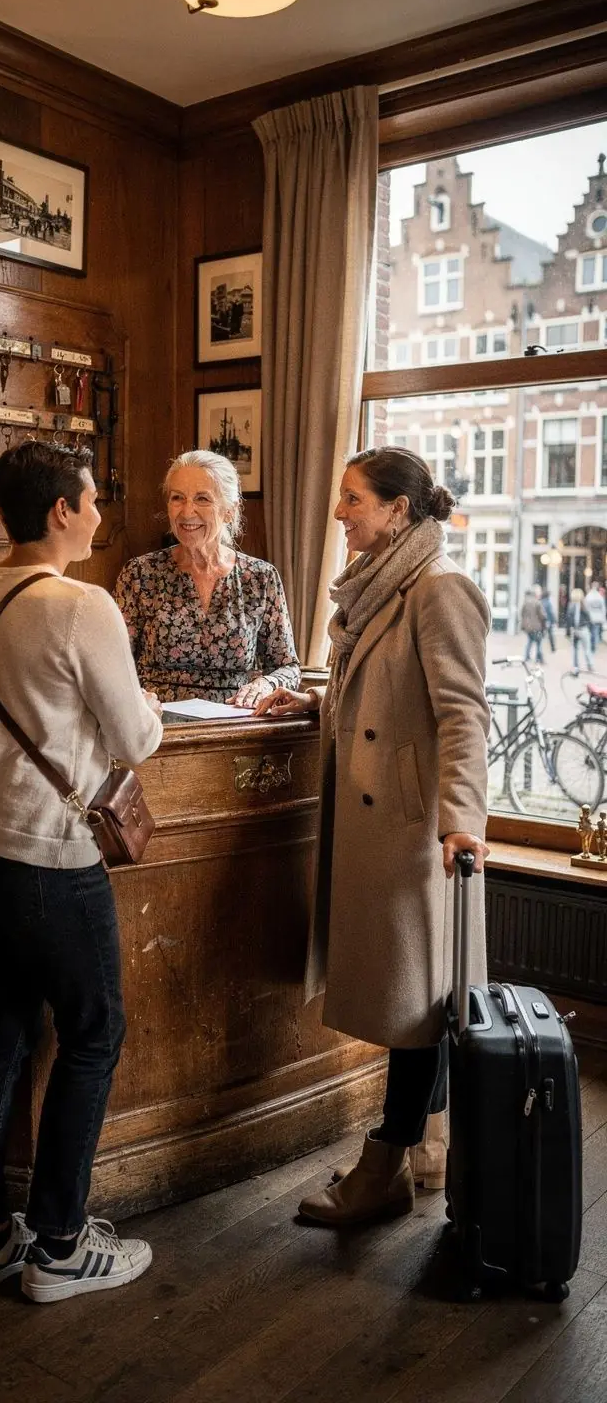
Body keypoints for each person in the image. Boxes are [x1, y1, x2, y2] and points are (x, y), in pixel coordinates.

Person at [0, 441, 163, 1303]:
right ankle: (61, 1244)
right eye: (93, 500)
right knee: (94, 1033)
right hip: (47, 851)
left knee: (1, 1028)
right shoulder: (81, 605)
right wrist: (143, 707)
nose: (100, 513)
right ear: (61, 510)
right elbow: (137, 738)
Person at [255, 446, 490, 1225]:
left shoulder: (439, 588)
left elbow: (463, 714)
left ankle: (384, 1166)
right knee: (415, 1000)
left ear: (397, 510)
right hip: (379, 823)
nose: (339, 513)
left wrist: (462, 820)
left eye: (353, 499)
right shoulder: (376, 585)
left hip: (416, 835)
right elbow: (377, 691)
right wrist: (312, 704)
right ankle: (424, 1151)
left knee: (413, 1005)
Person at [113, 450, 300, 706]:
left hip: (234, 718)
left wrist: (266, 683)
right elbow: (112, 663)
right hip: (157, 719)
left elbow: (288, 667)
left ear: (229, 511)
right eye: (177, 498)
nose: (187, 511)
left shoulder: (261, 578)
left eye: (202, 499)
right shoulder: (140, 574)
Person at [565, 588, 594, 675]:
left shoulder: (571, 605)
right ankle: (590, 665)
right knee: (587, 649)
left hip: (575, 630)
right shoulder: (584, 604)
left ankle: (576, 666)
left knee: (575, 649)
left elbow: (568, 619)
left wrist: (568, 632)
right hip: (583, 629)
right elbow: (589, 618)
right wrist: (590, 628)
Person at [520, 588, 546, 664]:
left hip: (528, 627)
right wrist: (544, 623)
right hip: (536, 626)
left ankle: (527, 657)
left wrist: (524, 625)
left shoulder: (526, 602)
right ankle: (538, 658)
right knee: (539, 643)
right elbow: (542, 615)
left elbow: (522, 614)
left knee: (530, 641)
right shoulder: (537, 602)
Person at [585, 582, 605, 652]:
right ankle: (593, 646)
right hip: (598, 618)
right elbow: (603, 608)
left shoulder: (588, 596)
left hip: (590, 617)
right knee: (595, 632)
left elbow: (586, 607)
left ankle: (591, 645)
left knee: (590, 632)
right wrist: (603, 617)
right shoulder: (600, 596)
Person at [540, 587, 557, 653]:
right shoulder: (548, 602)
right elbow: (550, 612)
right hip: (548, 621)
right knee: (550, 635)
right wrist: (554, 620)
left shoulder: (541, 601)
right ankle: (553, 648)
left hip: (542, 621)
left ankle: (539, 647)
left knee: (542, 634)